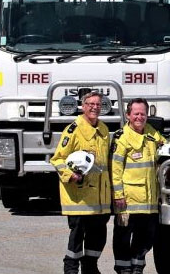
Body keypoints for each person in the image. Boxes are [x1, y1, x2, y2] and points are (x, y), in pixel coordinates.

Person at [50, 91, 112, 274]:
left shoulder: (104, 130)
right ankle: (71, 269)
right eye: (91, 104)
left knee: (98, 237)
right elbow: (58, 159)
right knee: (77, 238)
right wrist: (70, 175)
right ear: (83, 106)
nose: (95, 107)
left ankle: (90, 268)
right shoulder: (73, 130)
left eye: (98, 104)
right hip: (80, 198)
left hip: (100, 199)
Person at [111, 98, 167, 274]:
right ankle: (123, 269)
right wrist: (118, 196)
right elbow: (115, 170)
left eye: (143, 114)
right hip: (127, 201)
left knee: (145, 238)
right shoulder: (121, 138)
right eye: (136, 114)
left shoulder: (152, 134)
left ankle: (137, 268)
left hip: (149, 203)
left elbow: (166, 147)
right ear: (128, 115)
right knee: (122, 237)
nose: (140, 117)